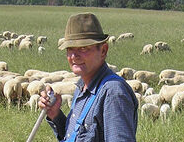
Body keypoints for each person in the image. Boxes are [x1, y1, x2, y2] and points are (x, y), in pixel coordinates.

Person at [38, 12, 138, 142]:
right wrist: (55, 114)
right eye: (70, 49)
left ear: (103, 51)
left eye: (83, 48)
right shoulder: (82, 87)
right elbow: (75, 137)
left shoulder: (113, 92)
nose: (74, 56)